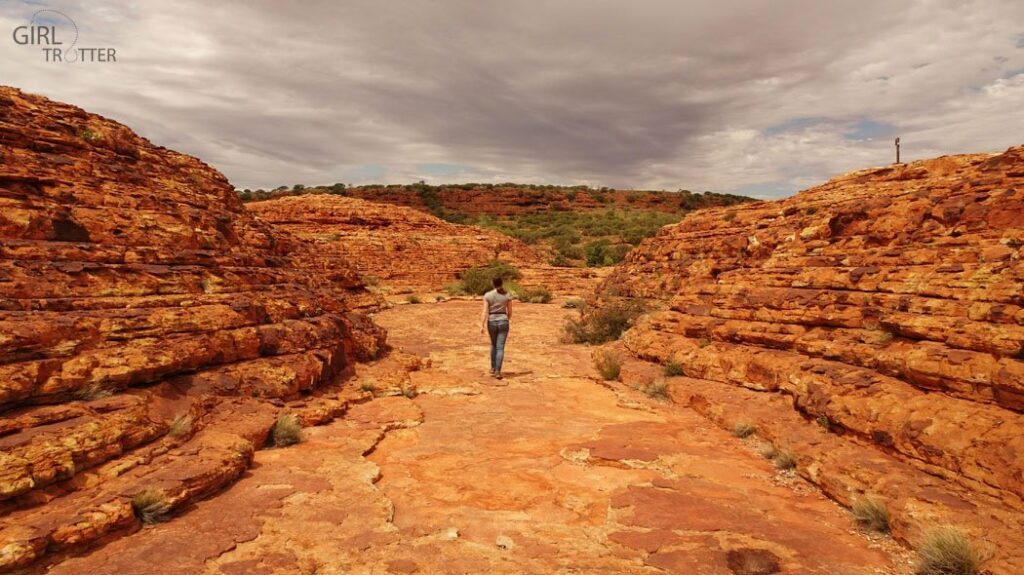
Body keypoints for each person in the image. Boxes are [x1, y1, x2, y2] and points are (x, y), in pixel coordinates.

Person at [480, 277, 512, 379]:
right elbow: (510, 312)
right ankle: (498, 371)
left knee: (493, 345)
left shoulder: (488, 295)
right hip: (503, 320)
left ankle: (493, 368)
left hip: (492, 321)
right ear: (501, 283)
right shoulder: (507, 295)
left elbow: (484, 311)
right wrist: (506, 319)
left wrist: (482, 325)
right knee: (500, 347)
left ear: (492, 283)